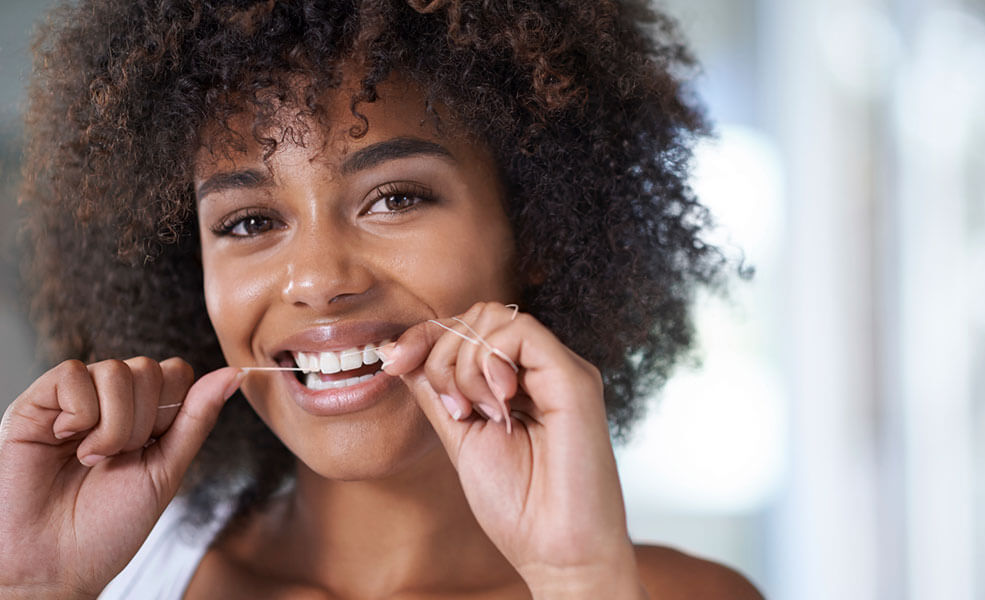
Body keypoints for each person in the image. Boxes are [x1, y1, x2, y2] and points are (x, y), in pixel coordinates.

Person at [0, 0, 762, 598]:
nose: (318, 279)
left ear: (538, 233)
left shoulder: (674, 594)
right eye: (250, 221)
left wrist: (576, 581)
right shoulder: (103, 581)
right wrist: (33, 590)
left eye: (395, 198)